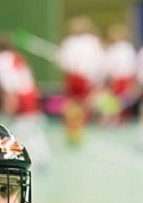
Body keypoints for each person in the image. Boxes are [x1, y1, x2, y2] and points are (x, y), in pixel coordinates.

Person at [0, 32, 50, 171]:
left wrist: (9, 104)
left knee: (22, 133)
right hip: (31, 96)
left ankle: (29, 164)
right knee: (33, 130)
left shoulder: (0, 60)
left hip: (19, 98)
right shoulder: (17, 57)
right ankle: (42, 159)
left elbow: (7, 83)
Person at [56, 15, 105, 145]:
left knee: (72, 104)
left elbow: (62, 63)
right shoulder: (92, 42)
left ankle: (72, 130)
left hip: (74, 77)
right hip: (84, 78)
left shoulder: (69, 42)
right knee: (81, 105)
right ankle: (77, 130)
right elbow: (99, 63)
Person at [101, 23, 138, 125]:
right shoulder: (127, 48)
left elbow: (109, 67)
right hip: (120, 79)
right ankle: (113, 119)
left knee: (119, 102)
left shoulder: (119, 49)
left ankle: (114, 119)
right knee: (116, 102)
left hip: (120, 79)